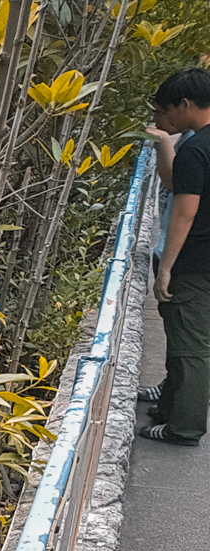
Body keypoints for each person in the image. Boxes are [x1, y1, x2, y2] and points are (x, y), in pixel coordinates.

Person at [141, 68, 210, 445]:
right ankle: (170, 407)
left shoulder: (196, 150)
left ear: (185, 105)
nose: (163, 118)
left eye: (166, 110)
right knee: (191, 341)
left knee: (191, 347)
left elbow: (184, 213)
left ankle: (184, 427)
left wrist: (165, 268)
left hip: (195, 260)